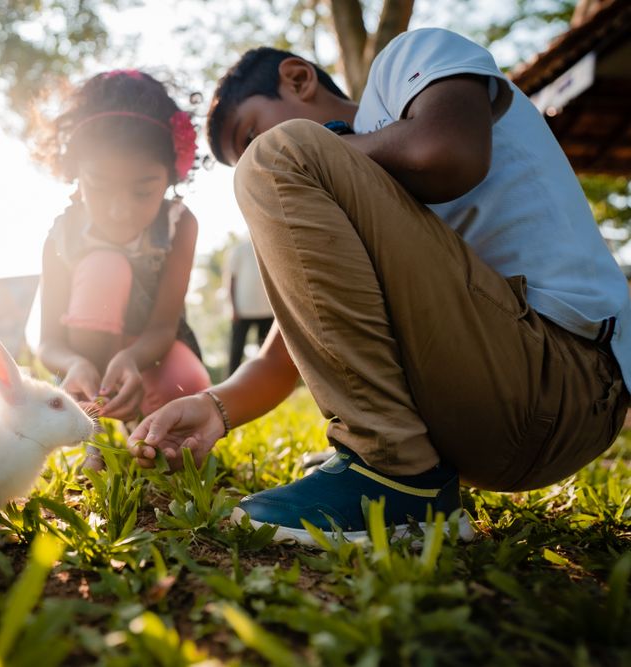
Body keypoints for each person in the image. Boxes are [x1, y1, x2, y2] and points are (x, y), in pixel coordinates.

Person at [129, 29, 631, 546]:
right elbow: (282, 358)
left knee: (279, 157)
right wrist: (214, 408)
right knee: (283, 159)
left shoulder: (408, 61)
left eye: (251, 131)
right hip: (494, 417)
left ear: (298, 78)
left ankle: (396, 474)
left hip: (567, 376)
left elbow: (449, 151)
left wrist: (309, 152)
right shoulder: (350, 192)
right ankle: (399, 467)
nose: (255, 156)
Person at [35, 69, 211, 470]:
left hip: (153, 355)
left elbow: (164, 326)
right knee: (103, 268)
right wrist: (76, 365)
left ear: (171, 177)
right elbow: (48, 343)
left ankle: (147, 433)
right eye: (99, 185)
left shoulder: (179, 225)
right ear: (77, 175)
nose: (119, 210)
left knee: (188, 388)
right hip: (85, 362)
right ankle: (93, 432)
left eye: (142, 190)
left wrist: (131, 359)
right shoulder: (60, 236)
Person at [225, 236, 274, 374]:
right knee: (236, 351)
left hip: (267, 311)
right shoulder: (239, 250)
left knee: (266, 353)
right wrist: (233, 308)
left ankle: (266, 383)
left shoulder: (269, 247)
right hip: (242, 311)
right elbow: (231, 280)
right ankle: (229, 383)